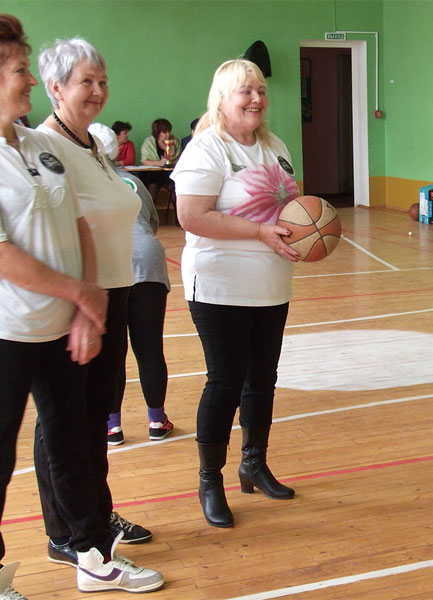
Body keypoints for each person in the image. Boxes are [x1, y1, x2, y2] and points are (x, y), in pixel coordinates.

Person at [0, 14, 163, 598]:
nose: (31, 79)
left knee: (76, 446)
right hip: (0, 330)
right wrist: (82, 294)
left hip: (60, 327)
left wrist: (83, 308)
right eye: (19, 70)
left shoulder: (37, 144)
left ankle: (93, 558)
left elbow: (77, 225)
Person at [34, 37, 154, 564]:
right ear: (56, 87)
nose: (98, 91)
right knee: (62, 424)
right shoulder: (46, 146)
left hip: (113, 294)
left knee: (95, 416)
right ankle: (65, 532)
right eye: (86, 81)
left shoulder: (90, 145)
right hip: (75, 301)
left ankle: (96, 514)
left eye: (102, 81)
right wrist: (80, 303)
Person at [172, 58, 300, 529]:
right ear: (222, 98)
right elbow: (191, 215)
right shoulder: (207, 148)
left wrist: (310, 232)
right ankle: (210, 480)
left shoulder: (275, 146)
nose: (256, 99)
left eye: (261, 90)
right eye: (245, 91)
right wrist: (260, 233)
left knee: (262, 379)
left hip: (271, 283)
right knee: (224, 381)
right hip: (219, 285)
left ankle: (254, 463)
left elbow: (293, 208)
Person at [89, 122, 173, 444]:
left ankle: (112, 426)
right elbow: (151, 222)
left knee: (113, 350)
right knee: (149, 346)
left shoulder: (84, 181)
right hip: (148, 261)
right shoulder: (132, 180)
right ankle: (157, 421)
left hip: (111, 266)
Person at [141, 118, 180, 201]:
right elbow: (144, 161)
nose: (168, 134)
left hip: (169, 175)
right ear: (157, 133)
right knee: (152, 191)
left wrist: (172, 157)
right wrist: (159, 163)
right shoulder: (148, 142)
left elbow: (180, 159)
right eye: (164, 132)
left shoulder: (175, 141)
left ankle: (177, 210)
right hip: (153, 174)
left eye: (169, 131)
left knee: (176, 193)